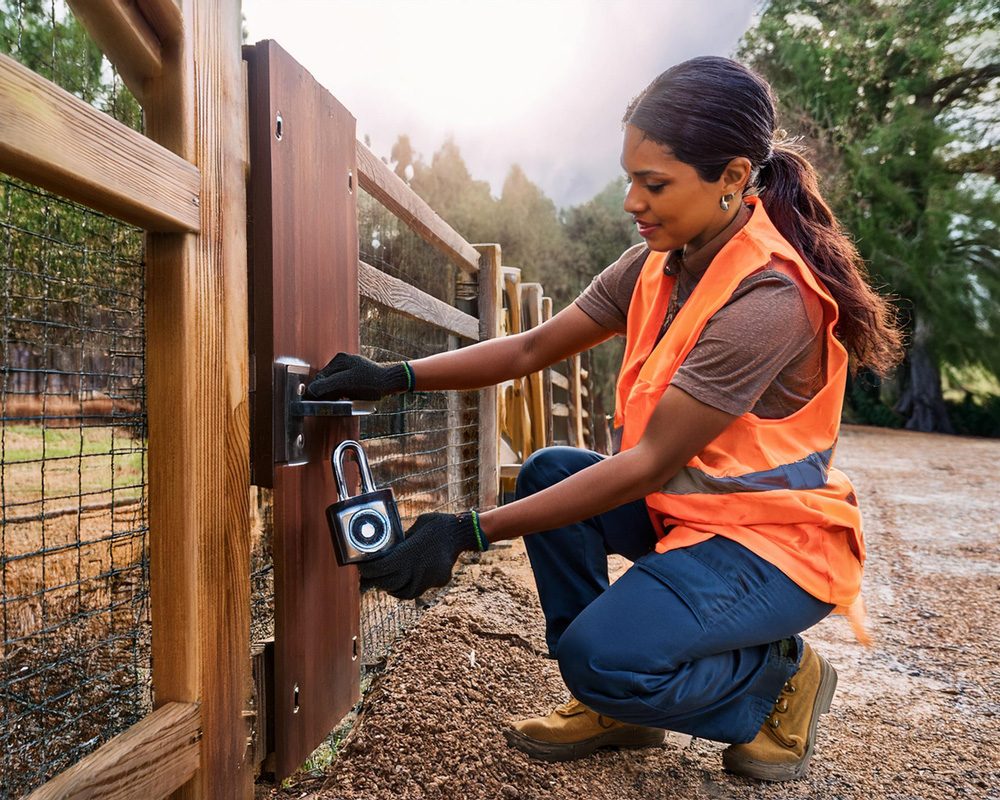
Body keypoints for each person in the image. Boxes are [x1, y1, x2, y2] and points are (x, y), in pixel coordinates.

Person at [308, 56, 903, 782]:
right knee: (550, 474)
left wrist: (469, 531)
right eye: (630, 178)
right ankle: (619, 704)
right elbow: (531, 346)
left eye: (654, 183)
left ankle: (776, 680)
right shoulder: (656, 262)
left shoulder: (770, 299)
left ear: (734, 178)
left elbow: (648, 461)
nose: (631, 201)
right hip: (696, 517)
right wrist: (397, 377)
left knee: (601, 658)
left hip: (775, 546)